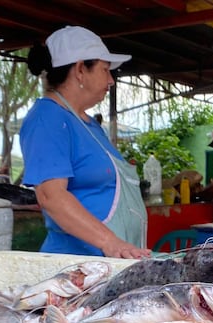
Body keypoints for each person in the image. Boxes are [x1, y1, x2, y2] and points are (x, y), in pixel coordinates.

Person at [20, 26, 150, 259]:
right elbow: (51, 196)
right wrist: (110, 242)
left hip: (107, 262)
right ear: (80, 70)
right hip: (76, 266)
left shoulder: (89, 125)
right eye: (105, 70)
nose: (111, 80)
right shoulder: (47, 118)